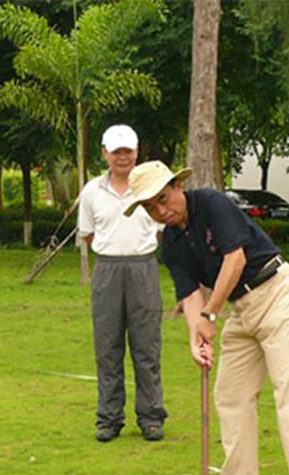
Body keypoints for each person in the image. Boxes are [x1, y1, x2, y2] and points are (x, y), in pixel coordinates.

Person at [124, 160, 289, 475]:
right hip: (240, 309)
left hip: (276, 292)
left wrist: (210, 316)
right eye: (150, 207)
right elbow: (189, 296)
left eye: (163, 198)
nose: (161, 210)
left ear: (177, 187)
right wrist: (195, 338)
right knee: (230, 395)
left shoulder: (213, 203)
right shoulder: (170, 245)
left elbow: (234, 260)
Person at [77, 125, 168, 442]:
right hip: (108, 270)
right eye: (116, 151)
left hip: (143, 268)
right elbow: (89, 235)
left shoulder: (152, 189)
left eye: (127, 151)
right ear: (104, 153)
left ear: (137, 152)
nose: (122, 157)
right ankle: (109, 419)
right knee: (108, 347)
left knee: (146, 347)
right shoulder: (91, 191)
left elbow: (160, 229)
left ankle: (151, 416)